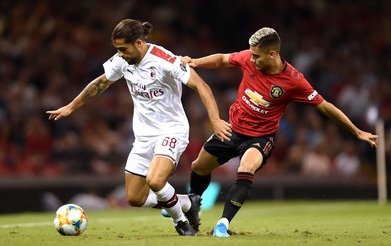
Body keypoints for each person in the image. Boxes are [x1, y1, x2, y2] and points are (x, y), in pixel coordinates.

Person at [181, 27, 378, 237]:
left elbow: (324, 106)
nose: (252, 59)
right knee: (198, 167)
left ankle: (222, 224)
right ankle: (193, 203)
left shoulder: (293, 80)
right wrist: (195, 61)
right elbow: (222, 59)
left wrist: (356, 132)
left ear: (272, 54)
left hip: (260, 137)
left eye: (257, 56)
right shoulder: (249, 57)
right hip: (233, 129)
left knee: (246, 167)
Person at [46, 19, 232, 236]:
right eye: (117, 49)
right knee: (135, 198)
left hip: (171, 131)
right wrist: (71, 107)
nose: (120, 54)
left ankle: (180, 222)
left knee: (155, 180)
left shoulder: (164, 60)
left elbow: (201, 85)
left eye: (123, 49)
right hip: (143, 136)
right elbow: (100, 83)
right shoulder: (122, 60)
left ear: (139, 43)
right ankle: (186, 202)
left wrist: (216, 120)